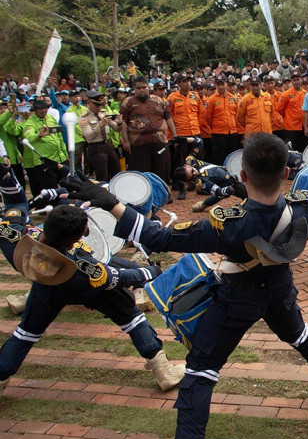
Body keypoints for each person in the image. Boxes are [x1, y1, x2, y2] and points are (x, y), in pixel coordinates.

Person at [62, 133, 308, 439]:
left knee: (201, 369)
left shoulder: (227, 226)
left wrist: (110, 201)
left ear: (243, 175)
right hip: (279, 291)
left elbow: (159, 237)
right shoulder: (307, 209)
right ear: (286, 173)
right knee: (301, 335)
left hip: (237, 299)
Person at [0, 169, 183, 396]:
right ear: (78, 238)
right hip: (88, 286)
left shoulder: (15, 240)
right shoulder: (87, 269)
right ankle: (163, 370)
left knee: (26, 334)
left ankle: (1, 376)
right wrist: (150, 272)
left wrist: (7, 179)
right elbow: (118, 277)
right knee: (132, 318)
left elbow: (15, 205)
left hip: (47, 286)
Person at [120, 77, 175, 186]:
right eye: (138, 88)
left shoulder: (158, 100)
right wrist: (125, 141)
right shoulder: (128, 102)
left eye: (144, 87)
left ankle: (163, 194)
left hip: (160, 140)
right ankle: (145, 197)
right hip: (138, 142)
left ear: (148, 88)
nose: (141, 90)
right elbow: (123, 122)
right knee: (142, 172)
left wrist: (175, 135)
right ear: (134, 89)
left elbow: (168, 117)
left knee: (162, 169)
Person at [22, 99, 68, 197]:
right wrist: (38, 135)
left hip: (59, 158)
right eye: (40, 109)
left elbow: (59, 136)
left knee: (67, 185)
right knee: (50, 190)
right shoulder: (30, 123)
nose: (43, 110)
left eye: (45, 108)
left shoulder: (51, 118)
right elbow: (29, 137)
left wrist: (65, 153)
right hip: (45, 162)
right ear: (35, 109)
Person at [168, 75, 204, 199]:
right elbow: (169, 117)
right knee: (180, 162)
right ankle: (180, 188)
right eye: (184, 81)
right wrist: (174, 136)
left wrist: (196, 127)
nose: (187, 84)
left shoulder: (195, 95)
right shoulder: (172, 97)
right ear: (178, 83)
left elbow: (200, 113)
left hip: (195, 131)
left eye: (188, 81)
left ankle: (196, 184)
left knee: (196, 160)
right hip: (181, 134)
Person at [173, 155, 248, 212]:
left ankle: (203, 204)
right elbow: (220, 192)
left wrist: (186, 140)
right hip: (235, 184)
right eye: (192, 176)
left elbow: (199, 142)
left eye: (192, 170)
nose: (195, 172)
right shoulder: (204, 183)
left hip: (232, 168)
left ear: (186, 165)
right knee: (251, 200)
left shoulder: (193, 162)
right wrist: (233, 186)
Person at [78, 90, 121, 182]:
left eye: (101, 104)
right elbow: (89, 137)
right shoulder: (84, 117)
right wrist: (99, 125)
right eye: (97, 105)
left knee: (116, 172)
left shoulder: (103, 113)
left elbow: (116, 128)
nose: (99, 107)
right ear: (89, 103)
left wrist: (120, 122)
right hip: (96, 147)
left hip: (108, 145)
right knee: (102, 175)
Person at [205, 74, 239, 166]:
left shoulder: (233, 98)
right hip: (218, 133)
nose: (220, 86)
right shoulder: (211, 100)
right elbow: (208, 117)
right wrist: (216, 127)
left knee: (232, 156)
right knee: (219, 157)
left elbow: (236, 114)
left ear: (226, 84)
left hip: (232, 132)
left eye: (222, 84)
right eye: (218, 84)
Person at [277, 72, 307, 151]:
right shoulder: (286, 94)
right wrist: (288, 116)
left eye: (298, 79)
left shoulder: (306, 94)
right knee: (292, 150)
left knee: (303, 148)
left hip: (304, 126)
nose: (296, 82)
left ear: (301, 80)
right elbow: (280, 109)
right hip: (291, 127)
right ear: (291, 82)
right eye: (294, 80)